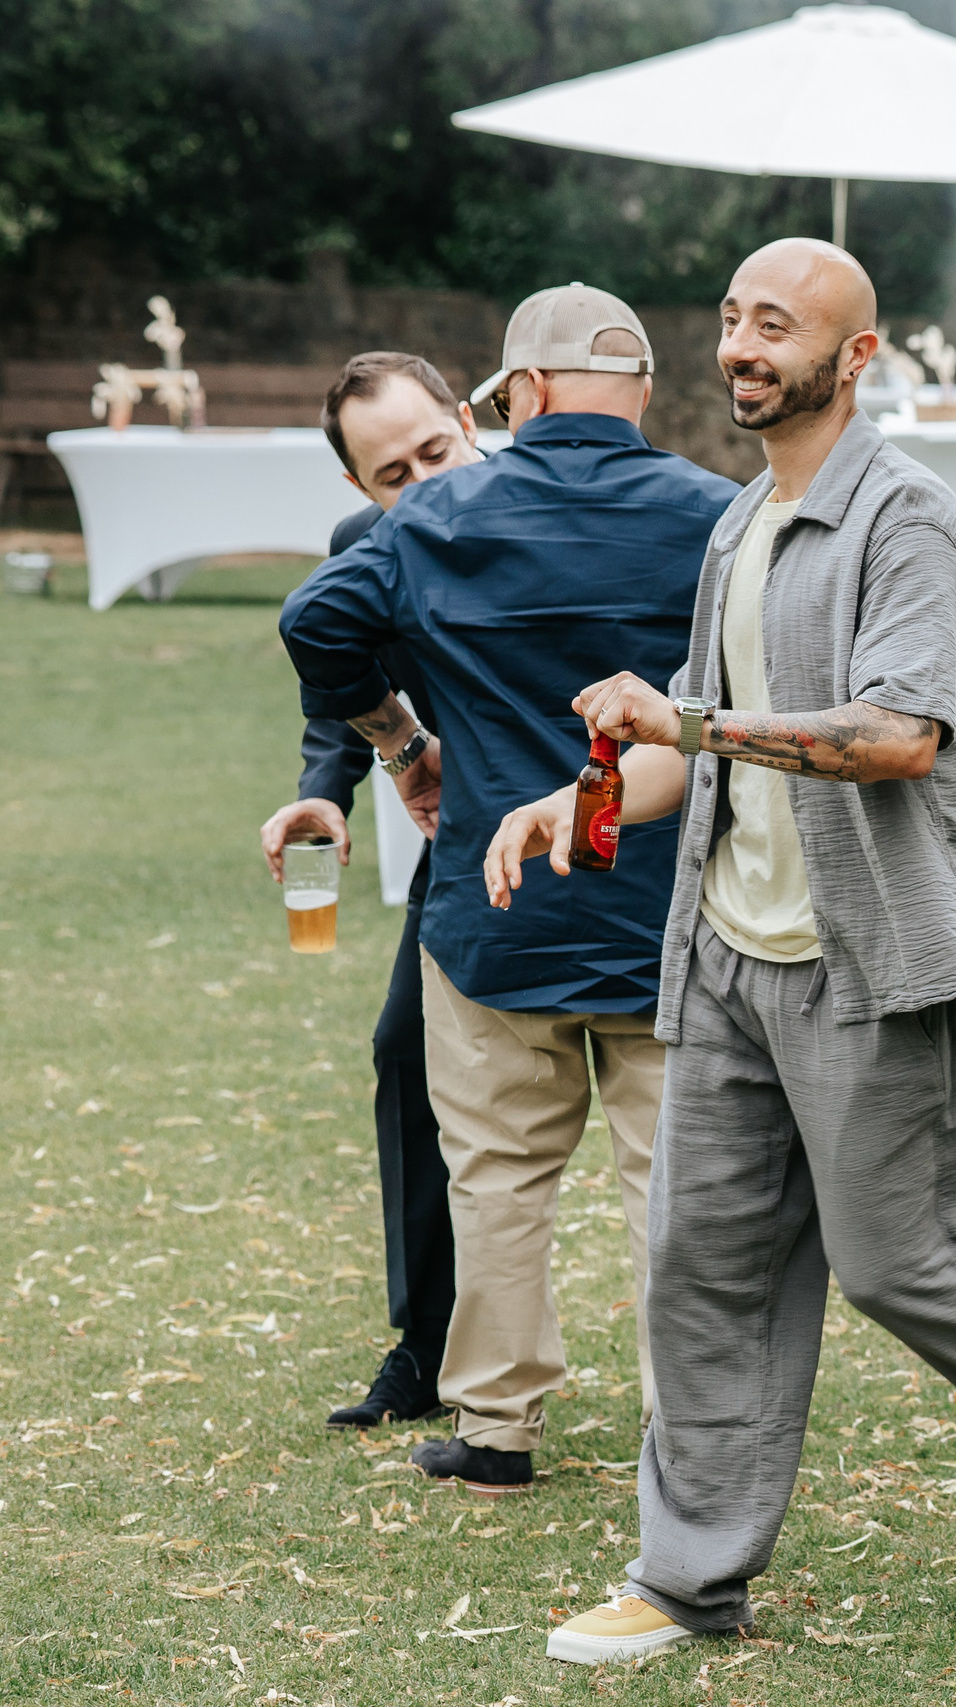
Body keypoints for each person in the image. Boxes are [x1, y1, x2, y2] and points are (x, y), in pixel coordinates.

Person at [485, 240, 956, 1663]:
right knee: (700, 1267)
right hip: (728, 954)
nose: (743, 346)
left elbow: (895, 735)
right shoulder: (741, 520)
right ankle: (688, 1576)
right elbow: (695, 732)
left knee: (905, 1262)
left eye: (777, 325)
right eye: (732, 319)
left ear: (856, 355)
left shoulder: (906, 522)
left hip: (869, 960)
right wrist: (577, 796)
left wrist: (687, 722)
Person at [280, 284, 736, 1496]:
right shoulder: (720, 513)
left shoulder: (432, 521)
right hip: (666, 903)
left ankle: (495, 1430)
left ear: (518, 393)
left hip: (496, 906)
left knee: (495, 1176)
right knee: (676, 1187)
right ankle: (693, 1438)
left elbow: (313, 622)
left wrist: (402, 743)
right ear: (643, 390)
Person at [258, 351, 482, 1429]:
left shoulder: (559, 512)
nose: (424, 485)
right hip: (469, 836)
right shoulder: (364, 547)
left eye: (437, 451)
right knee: (407, 1049)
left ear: (470, 420)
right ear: (359, 486)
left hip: (621, 829)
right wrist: (326, 788)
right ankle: (427, 1346)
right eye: (395, 474)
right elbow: (336, 672)